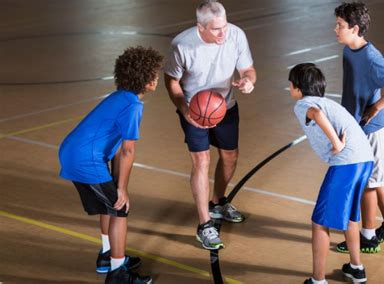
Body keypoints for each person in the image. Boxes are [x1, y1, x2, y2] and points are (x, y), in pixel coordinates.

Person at [58, 46, 163, 283]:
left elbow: (116, 148)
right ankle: (118, 274)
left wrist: (118, 183)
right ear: (143, 79)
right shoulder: (133, 105)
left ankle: (108, 255)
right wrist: (122, 189)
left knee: (111, 205)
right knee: (120, 209)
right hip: (85, 159)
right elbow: (127, 149)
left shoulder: (120, 97)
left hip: (76, 153)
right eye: (153, 73)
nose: (156, 77)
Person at [163, 0, 256, 250]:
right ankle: (204, 224)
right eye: (216, 29)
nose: (223, 33)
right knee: (201, 160)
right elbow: (171, 80)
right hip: (195, 109)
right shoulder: (182, 45)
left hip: (225, 106)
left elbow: (248, 69)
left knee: (230, 157)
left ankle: (218, 202)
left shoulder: (236, 35)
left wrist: (248, 80)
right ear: (200, 27)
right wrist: (184, 108)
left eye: (224, 26)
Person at [333, 2, 384, 254]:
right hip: (358, 126)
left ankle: (367, 236)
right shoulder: (349, 51)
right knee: (375, 180)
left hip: (372, 128)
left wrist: (375, 108)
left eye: (340, 26)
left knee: (367, 183)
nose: (335, 29)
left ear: (354, 29)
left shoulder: (370, 57)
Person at [289, 63, 374, 284]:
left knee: (319, 222)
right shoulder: (328, 102)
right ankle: (357, 268)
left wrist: (336, 144)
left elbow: (315, 114)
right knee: (351, 218)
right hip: (365, 159)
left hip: (346, 162)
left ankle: (318, 280)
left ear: (297, 88)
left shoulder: (304, 104)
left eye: (290, 84)